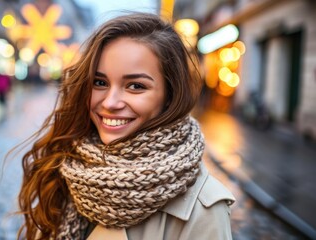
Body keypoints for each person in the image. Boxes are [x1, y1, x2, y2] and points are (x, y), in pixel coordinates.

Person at [17, 13, 235, 240]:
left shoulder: (204, 210)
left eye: (135, 86)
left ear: (170, 95)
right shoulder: (67, 165)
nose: (110, 102)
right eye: (100, 82)